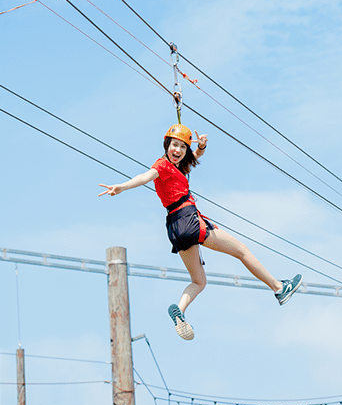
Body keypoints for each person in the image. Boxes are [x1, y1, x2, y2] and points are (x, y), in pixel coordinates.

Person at [99, 123, 302, 341]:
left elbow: (192, 159)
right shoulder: (162, 166)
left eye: (182, 148)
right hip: (188, 218)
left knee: (199, 282)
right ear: (167, 145)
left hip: (175, 227)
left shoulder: (175, 168)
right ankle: (279, 288)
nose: (177, 150)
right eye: (174, 145)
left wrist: (202, 147)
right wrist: (122, 186)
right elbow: (146, 176)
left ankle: (180, 310)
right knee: (241, 251)